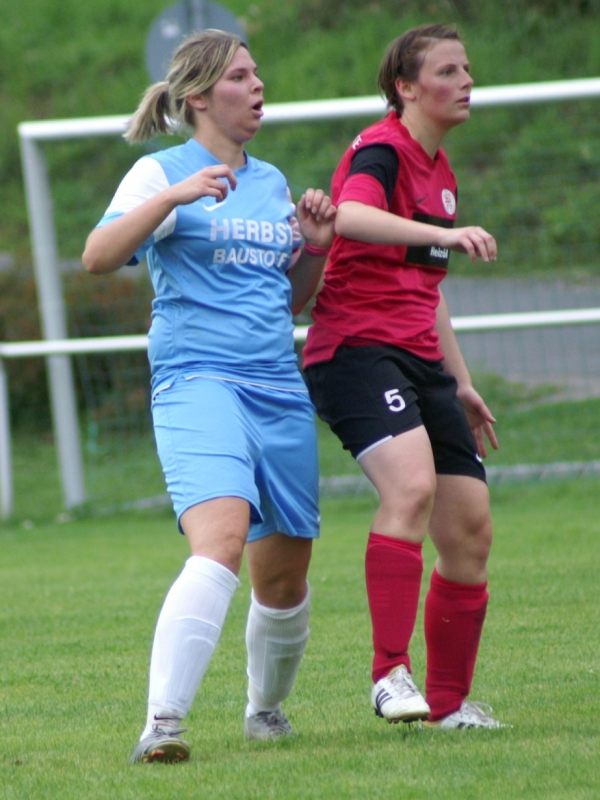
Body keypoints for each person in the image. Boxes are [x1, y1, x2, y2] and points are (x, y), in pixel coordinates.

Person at [82, 29, 335, 763]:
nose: (258, 87)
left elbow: (288, 301)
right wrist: (173, 197)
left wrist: (316, 246)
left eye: (258, 75)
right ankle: (162, 724)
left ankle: (265, 711)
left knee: (284, 578)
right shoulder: (160, 172)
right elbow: (98, 257)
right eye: (240, 77)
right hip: (197, 379)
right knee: (220, 541)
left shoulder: (272, 181)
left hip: (277, 387)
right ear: (197, 97)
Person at [303, 24, 507, 730]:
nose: (466, 81)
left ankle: (448, 707)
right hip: (355, 351)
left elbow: (428, 289)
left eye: (467, 68)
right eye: (448, 71)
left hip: (420, 359)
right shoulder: (382, 149)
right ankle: (389, 673)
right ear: (406, 87)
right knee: (412, 488)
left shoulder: (440, 172)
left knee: (470, 529)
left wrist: (462, 381)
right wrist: (443, 234)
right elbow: (353, 215)